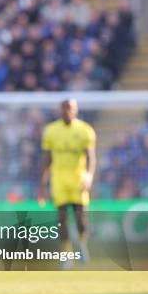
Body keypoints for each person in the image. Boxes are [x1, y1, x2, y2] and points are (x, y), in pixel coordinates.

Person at [38, 99, 96, 268]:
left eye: (71, 109)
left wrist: (89, 175)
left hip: (78, 178)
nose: (67, 112)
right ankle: (66, 254)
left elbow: (91, 157)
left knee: (80, 218)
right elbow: (46, 159)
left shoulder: (85, 130)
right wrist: (42, 185)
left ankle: (81, 244)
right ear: (60, 110)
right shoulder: (51, 131)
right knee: (61, 218)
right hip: (59, 180)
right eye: (65, 108)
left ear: (76, 110)